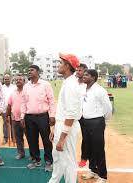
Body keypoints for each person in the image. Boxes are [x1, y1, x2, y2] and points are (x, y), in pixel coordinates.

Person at [48, 53, 82, 183]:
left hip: (67, 127)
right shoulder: (68, 82)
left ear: (67, 66)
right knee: (57, 158)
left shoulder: (71, 84)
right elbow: (64, 110)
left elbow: (71, 114)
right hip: (61, 125)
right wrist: (55, 129)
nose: (59, 65)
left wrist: (62, 138)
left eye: (61, 63)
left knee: (68, 162)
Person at [21, 65, 56, 171]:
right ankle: (36, 160)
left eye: (32, 70)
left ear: (38, 72)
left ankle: (49, 162)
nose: (29, 71)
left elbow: (51, 100)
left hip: (43, 117)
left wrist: (52, 115)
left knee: (46, 140)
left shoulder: (45, 84)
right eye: (28, 70)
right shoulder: (26, 86)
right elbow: (23, 102)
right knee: (32, 140)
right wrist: (22, 117)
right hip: (29, 118)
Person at [81, 69, 112, 183]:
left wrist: (105, 122)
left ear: (93, 77)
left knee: (98, 149)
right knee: (89, 148)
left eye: (86, 75)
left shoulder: (99, 90)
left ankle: (103, 176)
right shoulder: (84, 89)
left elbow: (108, 108)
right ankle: (93, 171)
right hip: (86, 122)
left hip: (97, 122)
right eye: (84, 74)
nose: (84, 76)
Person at [7, 74, 32, 160]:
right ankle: (21, 153)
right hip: (15, 119)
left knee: (30, 137)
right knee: (18, 138)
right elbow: (9, 105)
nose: (18, 81)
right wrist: (7, 115)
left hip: (26, 119)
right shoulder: (13, 93)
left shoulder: (27, 92)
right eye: (16, 80)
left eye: (20, 80)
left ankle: (33, 154)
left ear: (24, 81)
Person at [76, 64, 89, 167]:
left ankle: (84, 158)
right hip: (73, 114)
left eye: (80, 70)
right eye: (77, 70)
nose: (78, 72)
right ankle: (68, 158)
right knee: (68, 135)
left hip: (85, 115)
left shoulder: (88, 85)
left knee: (86, 137)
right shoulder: (73, 83)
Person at [2, 74, 16, 144]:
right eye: (5, 79)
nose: (7, 80)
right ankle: (5, 138)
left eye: (8, 79)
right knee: (5, 123)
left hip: (13, 109)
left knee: (13, 123)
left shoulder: (14, 87)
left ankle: (14, 137)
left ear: (10, 79)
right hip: (4, 109)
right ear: (3, 80)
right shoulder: (1, 88)